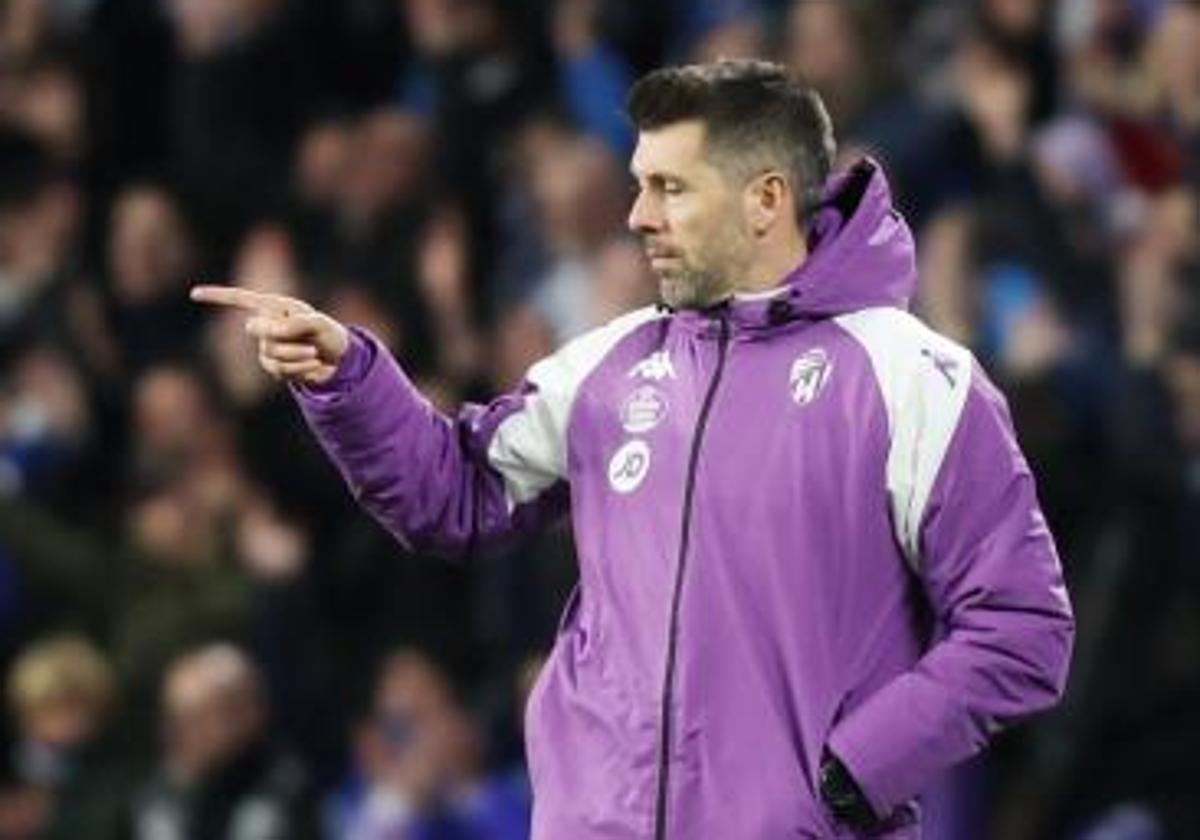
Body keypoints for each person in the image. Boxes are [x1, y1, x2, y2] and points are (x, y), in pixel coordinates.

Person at [192, 59, 1075, 840]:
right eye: (638, 184)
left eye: (670, 188)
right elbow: (452, 494)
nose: (636, 215)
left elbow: (1022, 628)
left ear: (766, 198)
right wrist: (346, 377)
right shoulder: (611, 364)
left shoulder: (915, 378)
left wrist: (847, 775)